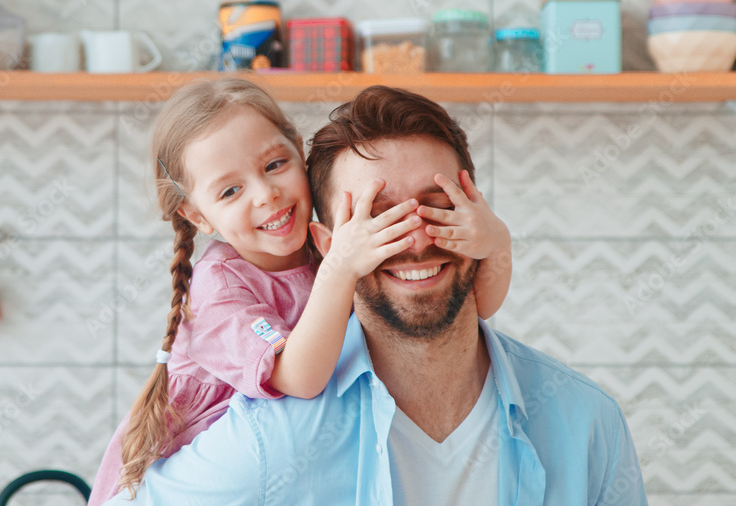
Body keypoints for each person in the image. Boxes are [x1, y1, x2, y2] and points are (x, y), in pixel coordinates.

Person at [104, 85, 647, 505]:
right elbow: (297, 376)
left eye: (439, 207)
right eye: (379, 218)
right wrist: (342, 266)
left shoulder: (587, 422)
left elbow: (481, 301)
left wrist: (497, 244)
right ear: (330, 242)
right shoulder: (267, 432)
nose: (412, 238)